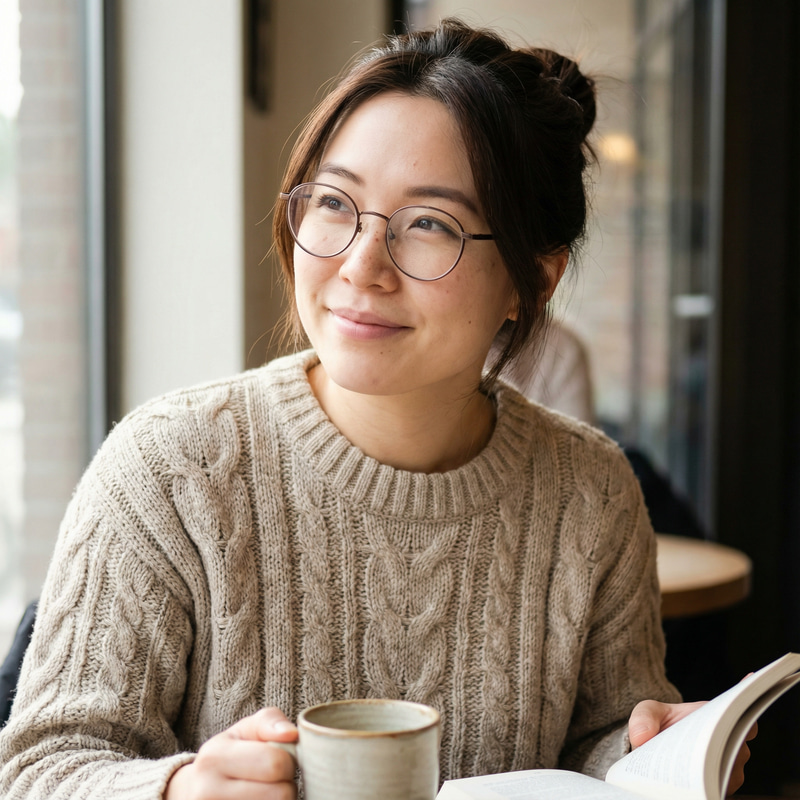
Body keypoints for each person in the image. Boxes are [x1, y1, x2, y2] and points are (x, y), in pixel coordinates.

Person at [0, 18, 754, 800]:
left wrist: (654, 754)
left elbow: (600, 742)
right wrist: (180, 789)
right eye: (334, 202)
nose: (361, 266)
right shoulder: (170, 469)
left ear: (533, 279)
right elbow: (40, 769)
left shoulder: (590, 492)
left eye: (429, 224)